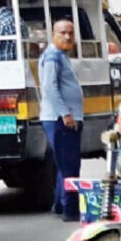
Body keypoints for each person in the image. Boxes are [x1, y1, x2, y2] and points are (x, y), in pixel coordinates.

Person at [39, 18, 84, 221]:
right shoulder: (53, 56)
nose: (67, 37)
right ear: (53, 35)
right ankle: (70, 209)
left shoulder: (60, 56)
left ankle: (60, 204)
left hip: (63, 117)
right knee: (69, 165)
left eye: (70, 33)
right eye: (62, 33)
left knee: (63, 164)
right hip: (61, 119)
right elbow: (50, 87)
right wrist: (65, 113)